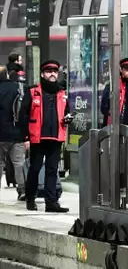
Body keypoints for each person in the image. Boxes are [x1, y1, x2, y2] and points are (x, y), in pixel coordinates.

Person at [25, 60, 72, 213]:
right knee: (35, 169)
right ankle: (30, 198)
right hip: (38, 138)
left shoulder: (62, 93)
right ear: (42, 74)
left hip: (56, 137)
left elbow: (67, 112)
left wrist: (68, 118)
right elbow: (24, 115)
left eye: (55, 71)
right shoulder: (32, 91)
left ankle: (51, 202)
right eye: (48, 71)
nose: (52, 74)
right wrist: (25, 137)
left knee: (52, 170)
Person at [0, 65, 30, 201]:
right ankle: (22, 189)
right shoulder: (17, 88)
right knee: (19, 163)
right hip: (16, 132)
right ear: (7, 75)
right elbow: (23, 112)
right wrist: (25, 134)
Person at [100, 57, 128, 130]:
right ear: (121, 69)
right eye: (127, 69)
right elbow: (104, 108)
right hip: (117, 124)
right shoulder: (113, 86)